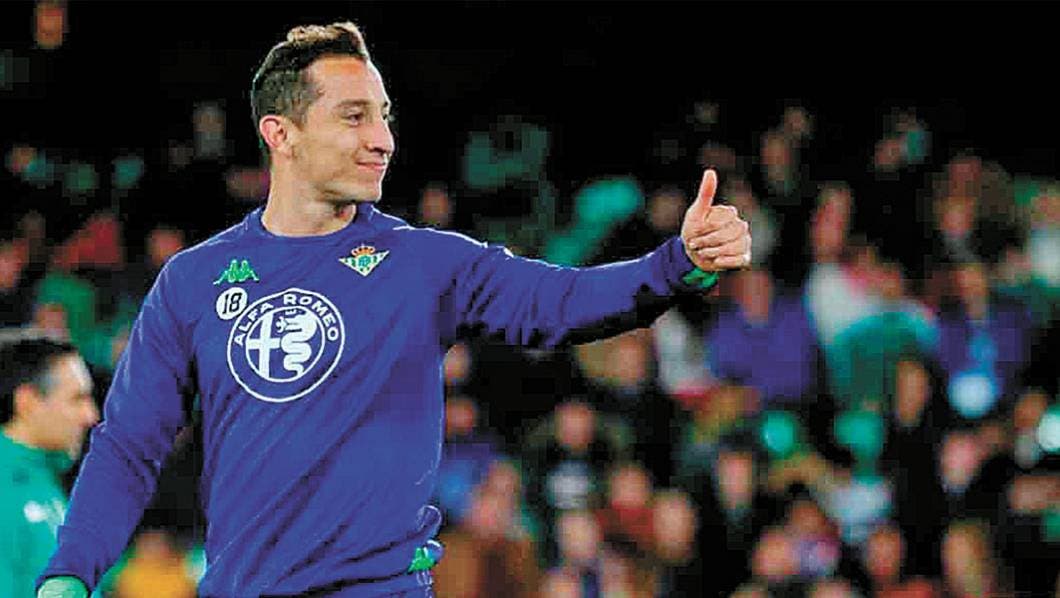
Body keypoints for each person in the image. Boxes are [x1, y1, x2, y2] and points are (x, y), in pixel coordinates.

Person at [37, 21, 751, 597]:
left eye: (383, 116)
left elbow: (559, 302)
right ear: (280, 134)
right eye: (354, 117)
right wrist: (70, 574)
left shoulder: (424, 264)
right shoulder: (192, 283)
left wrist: (677, 263)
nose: (382, 139)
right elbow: (127, 447)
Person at [0, 335, 98, 597]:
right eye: (77, 399)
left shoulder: (44, 478)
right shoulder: (6, 488)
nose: (91, 415)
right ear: (28, 401)